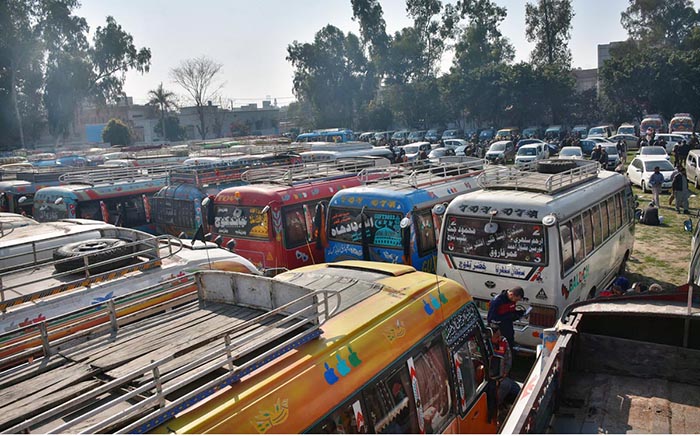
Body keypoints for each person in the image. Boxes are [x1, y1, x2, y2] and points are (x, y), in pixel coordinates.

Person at [489, 324, 520, 411]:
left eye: (500, 335)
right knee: (504, 387)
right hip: (489, 377)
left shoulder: (503, 342)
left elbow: (508, 360)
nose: (499, 338)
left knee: (516, 390)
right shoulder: (484, 343)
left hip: (501, 376)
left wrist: (504, 374)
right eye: (497, 336)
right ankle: (495, 408)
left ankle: (501, 405)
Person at [486, 286, 525, 353]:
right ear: (511, 294)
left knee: (509, 345)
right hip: (497, 329)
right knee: (496, 348)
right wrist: (508, 317)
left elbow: (509, 311)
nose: (516, 301)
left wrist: (518, 314)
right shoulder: (497, 301)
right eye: (516, 300)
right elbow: (491, 318)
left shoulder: (510, 300)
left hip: (508, 328)